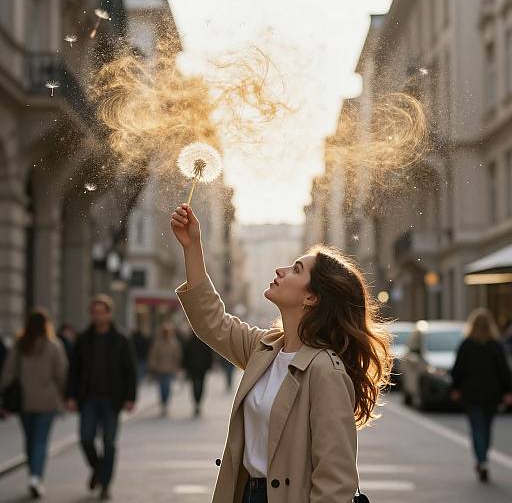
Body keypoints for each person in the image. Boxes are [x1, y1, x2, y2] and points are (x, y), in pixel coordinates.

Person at [171, 203, 392, 503]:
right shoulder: (266, 349)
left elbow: (335, 482)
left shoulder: (326, 370)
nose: (281, 270)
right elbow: (211, 322)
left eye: (296, 269)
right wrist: (192, 245)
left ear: (312, 297)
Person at [66, 294, 137, 501]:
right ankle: (98, 470)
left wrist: (130, 397)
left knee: (109, 442)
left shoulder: (121, 339)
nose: (97, 316)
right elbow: (74, 370)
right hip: (88, 398)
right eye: (94, 313)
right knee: (86, 438)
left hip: (112, 400)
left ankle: (105, 484)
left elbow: (129, 370)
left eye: (101, 312)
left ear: (109, 313)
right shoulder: (83, 339)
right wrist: (70, 395)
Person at [1, 308, 68, 499]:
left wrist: (5, 392)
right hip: (47, 401)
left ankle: (33, 474)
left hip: (24, 401)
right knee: (40, 441)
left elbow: (8, 372)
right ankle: (36, 477)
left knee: (30, 440)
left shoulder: (20, 345)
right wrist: (65, 397)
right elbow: (62, 374)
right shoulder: (54, 346)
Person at [451, 308, 512, 483]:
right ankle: (484, 457)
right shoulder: (496, 345)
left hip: (471, 394)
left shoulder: (466, 344)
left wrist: (455, 388)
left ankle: (481, 461)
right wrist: (508, 391)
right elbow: (504, 371)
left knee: (477, 428)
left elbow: (458, 369)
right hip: (492, 395)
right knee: (486, 428)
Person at [148, 322, 182, 417]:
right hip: (160, 369)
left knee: (167, 387)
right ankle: (163, 402)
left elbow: (177, 356)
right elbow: (153, 355)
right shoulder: (158, 343)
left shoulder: (174, 343)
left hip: (170, 369)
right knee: (161, 387)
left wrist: (177, 367)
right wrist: (153, 366)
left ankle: (166, 402)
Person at [182, 328, 213, 417]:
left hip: (193, 368)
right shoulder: (204, 342)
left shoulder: (190, 342)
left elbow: (185, 355)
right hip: (201, 368)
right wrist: (209, 366)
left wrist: (185, 366)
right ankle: (198, 402)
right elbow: (209, 355)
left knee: (195, 385)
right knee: (201, 385)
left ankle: (196, 402)